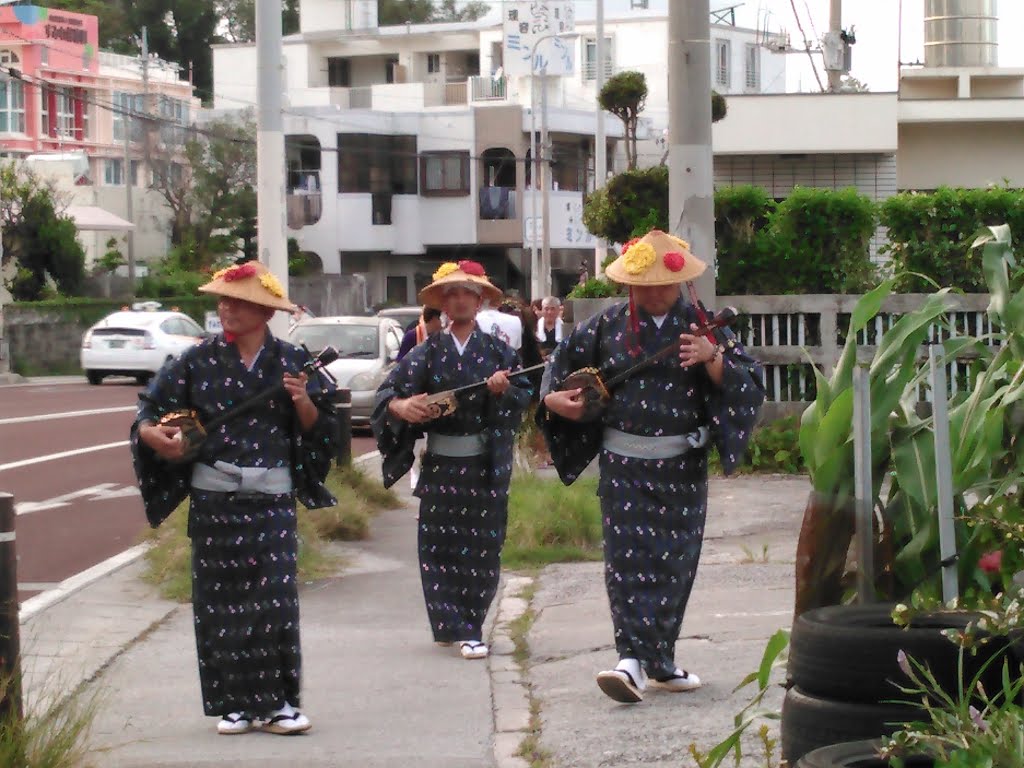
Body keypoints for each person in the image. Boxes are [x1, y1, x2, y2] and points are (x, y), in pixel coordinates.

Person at [537, 230, 764, 704]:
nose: (657, 292)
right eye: (647, 283)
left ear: (682, 285)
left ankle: (658, 662)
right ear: (629, 285)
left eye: (666, 284)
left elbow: (748, 382)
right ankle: (631, 662)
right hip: (624, 466)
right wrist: (555, 401)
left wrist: (713, 359)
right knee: (627, 562)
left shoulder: (705, 328)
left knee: (676, 564)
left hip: (681, 467)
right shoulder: (601, 329)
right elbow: (557, 377)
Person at [130, 260, 338, 735]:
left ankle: (279, 703)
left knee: (274, 600)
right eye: (223, 301)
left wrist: (303, 399)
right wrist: (151, 435)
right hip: (215, 498)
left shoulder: (292, 360)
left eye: (239, 302)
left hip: (271, 498)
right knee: (218, 601)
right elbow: (150, 409)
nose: (227, 309)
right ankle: (234, 704)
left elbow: (321, 429)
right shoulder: (195, 359)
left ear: (265, 313)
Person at [372, 260, 532, 660]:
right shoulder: (427, 352)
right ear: (443, 303)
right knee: (438, 546)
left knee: (482, 545)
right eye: (453, 294)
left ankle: (472, 624)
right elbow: (388, 393)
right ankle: (450, 625)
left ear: (480, 303)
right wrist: (402, 406)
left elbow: (525, 395)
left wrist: (503, 392)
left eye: (468, 294)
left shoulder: (500, 352)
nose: (460, 300)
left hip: (483, 464)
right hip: (442, 463)